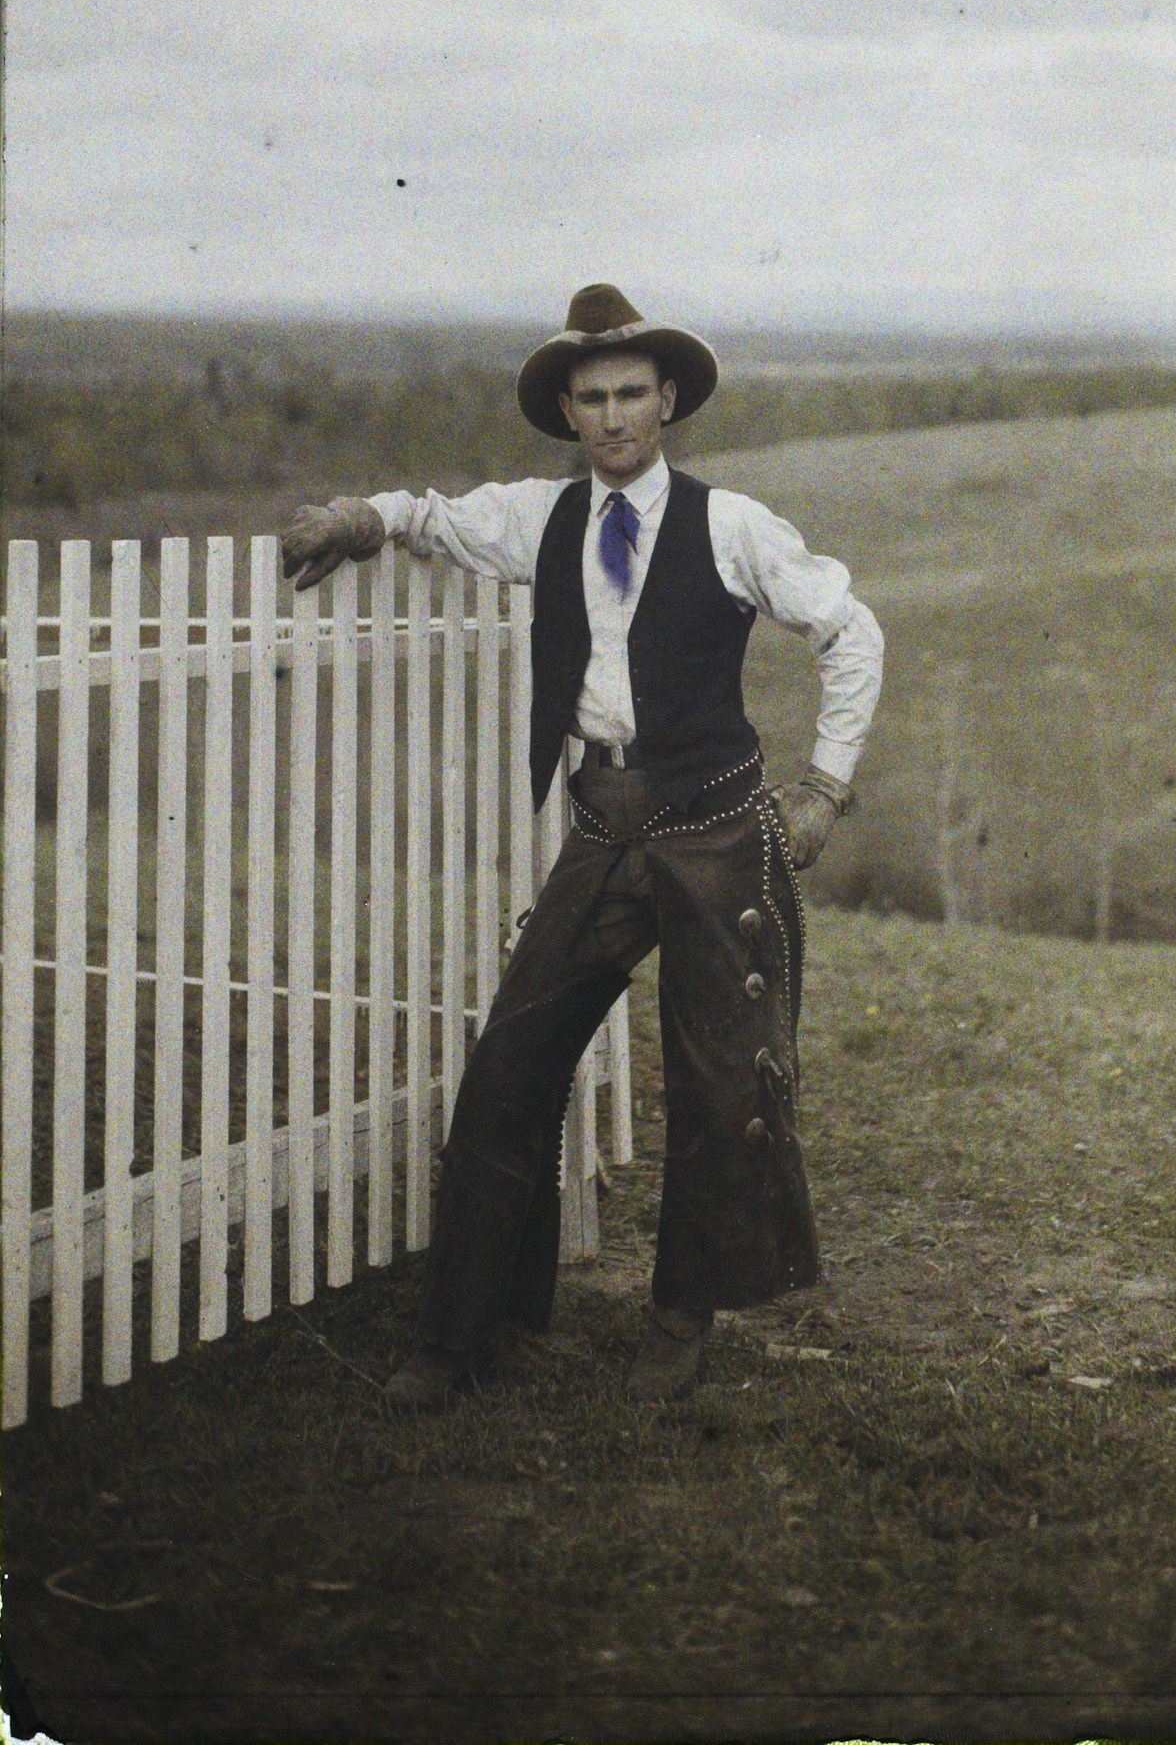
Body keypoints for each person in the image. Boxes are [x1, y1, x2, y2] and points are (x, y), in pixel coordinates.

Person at [280, 283, 884, 1403]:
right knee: (511, 1062)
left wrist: (823, 788)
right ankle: (460, 1336)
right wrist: (361, 518)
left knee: (715, 1087)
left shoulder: (731, 524)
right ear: (568, 409)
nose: (613, 417)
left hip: (714, 830)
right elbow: (431, 517)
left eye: (631, 395)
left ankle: (677, 1319)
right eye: (592, 398)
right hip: (601, 830)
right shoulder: (535, 516)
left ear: (666, 400)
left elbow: (852, 634)